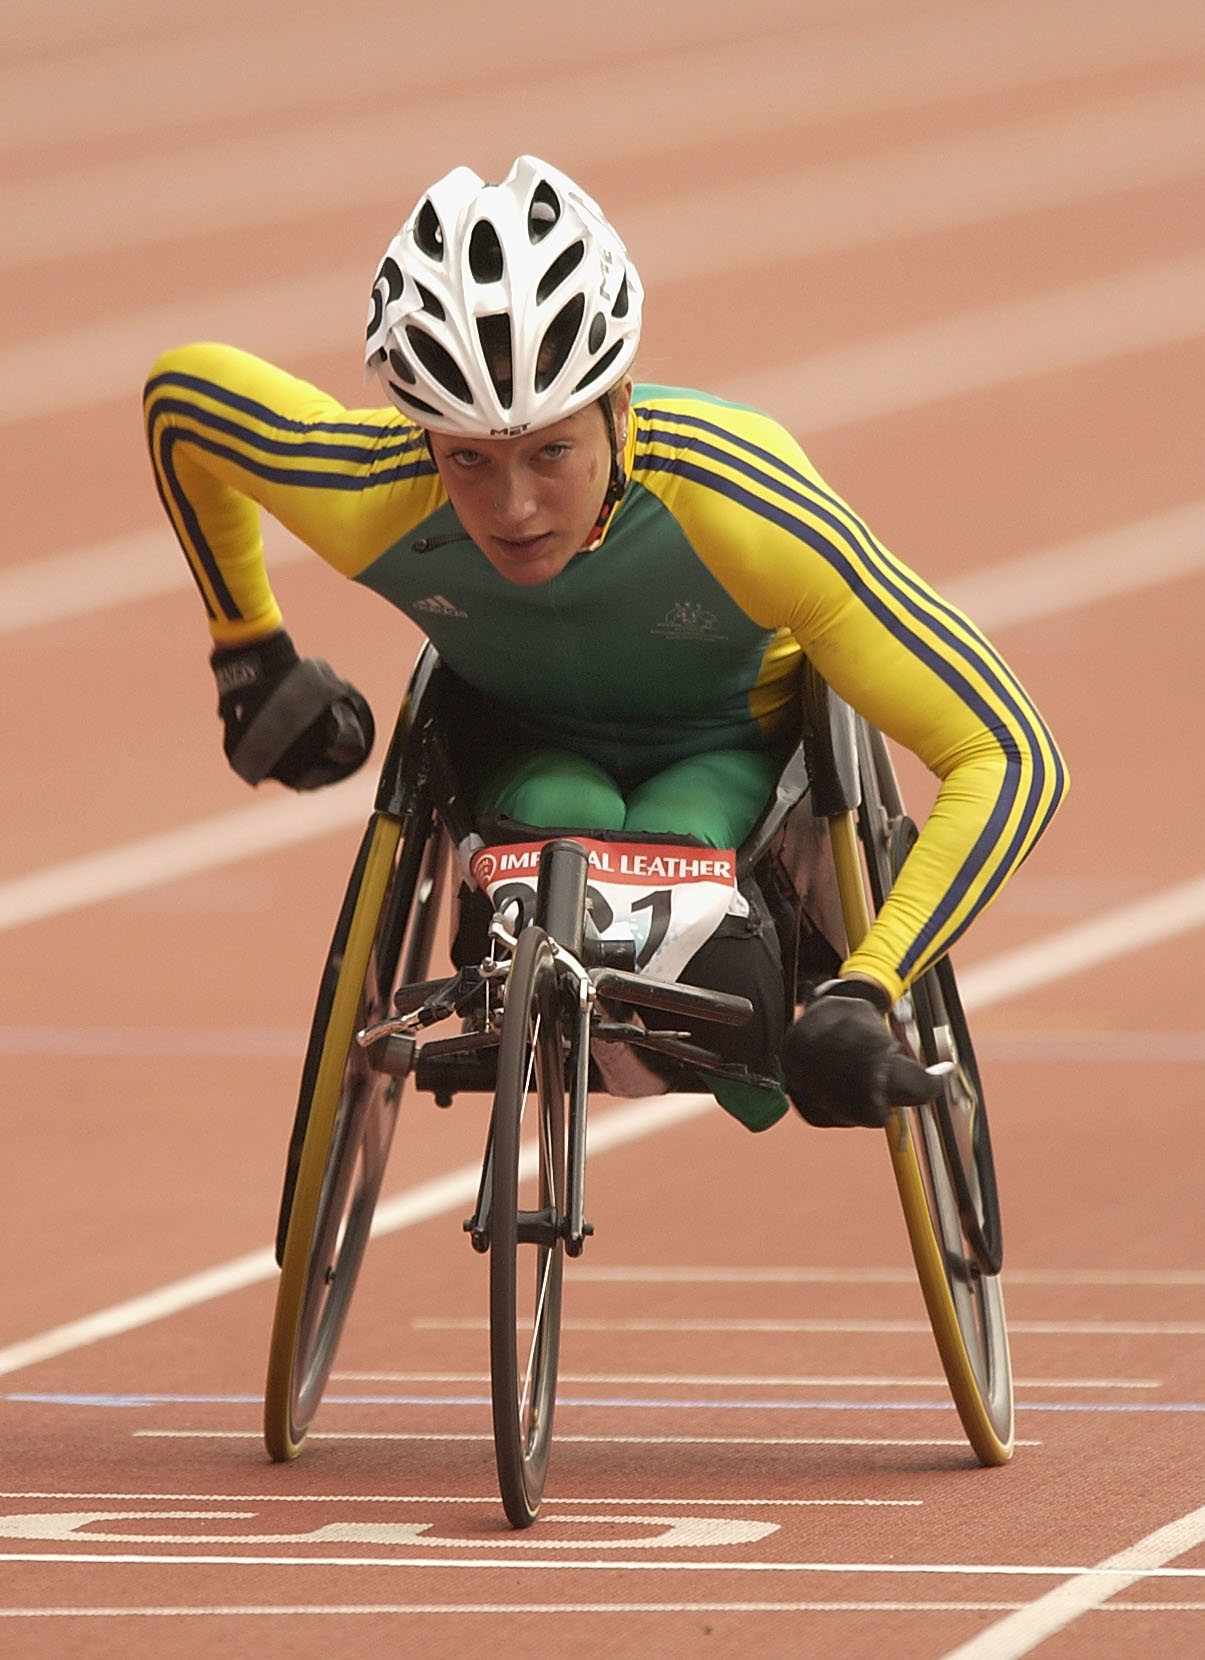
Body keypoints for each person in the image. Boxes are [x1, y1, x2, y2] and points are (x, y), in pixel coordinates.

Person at [143, 155, 1067, 1133]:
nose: (514, 507)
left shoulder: (739, 500)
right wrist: (249, 652)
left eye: (550, 451)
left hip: (727, 755)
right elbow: (183, 400)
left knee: (681, 840)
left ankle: (747, 934)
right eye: (468, 460)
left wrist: (866, 987)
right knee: (558, 814)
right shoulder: (373, 492)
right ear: (420, 440)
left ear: (619, 407)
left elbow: (1008, 753)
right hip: (522, 749)